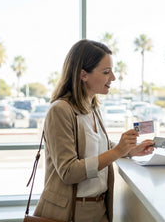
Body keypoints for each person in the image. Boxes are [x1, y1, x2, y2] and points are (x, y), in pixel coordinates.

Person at [34, 39, 154, 222]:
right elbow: (68, 171)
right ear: (83, 75)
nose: (113, 77)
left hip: (100, 208)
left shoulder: (93, 108)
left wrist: (130, 150)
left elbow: (99, 148)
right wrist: (117, 152)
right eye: (106, 72)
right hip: (71, 212)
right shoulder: (60, 110)